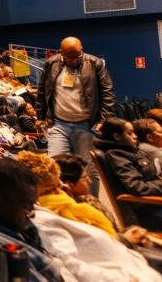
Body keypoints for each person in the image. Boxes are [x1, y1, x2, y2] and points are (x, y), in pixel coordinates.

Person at [15, 151, 162, 282]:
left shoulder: (79, 205)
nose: (59, 193)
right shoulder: (42, 221)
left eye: (58, 187)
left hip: (135, 264)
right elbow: (68, 266)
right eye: (49, 190)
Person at [36, 36, 115, 195]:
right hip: (58, 124)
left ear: (82, 50)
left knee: (89, 169)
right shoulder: (51, 64)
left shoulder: (95, 63)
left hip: (86, 126)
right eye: (69, 57)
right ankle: (64, 204)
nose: (73, 60)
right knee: (55, 167)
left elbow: (108, 93)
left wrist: (103, 120)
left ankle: (92, 204)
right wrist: (40, 115)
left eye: (77, 56)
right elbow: (43, 90)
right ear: (61, 53)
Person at [96, 117, 162, 230]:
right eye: (130, 133)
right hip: (152, 210)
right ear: (117, 136)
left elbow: (152, 172)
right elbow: (138, 188)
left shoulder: (133, 150)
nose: (135, 136)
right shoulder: (117, 156)